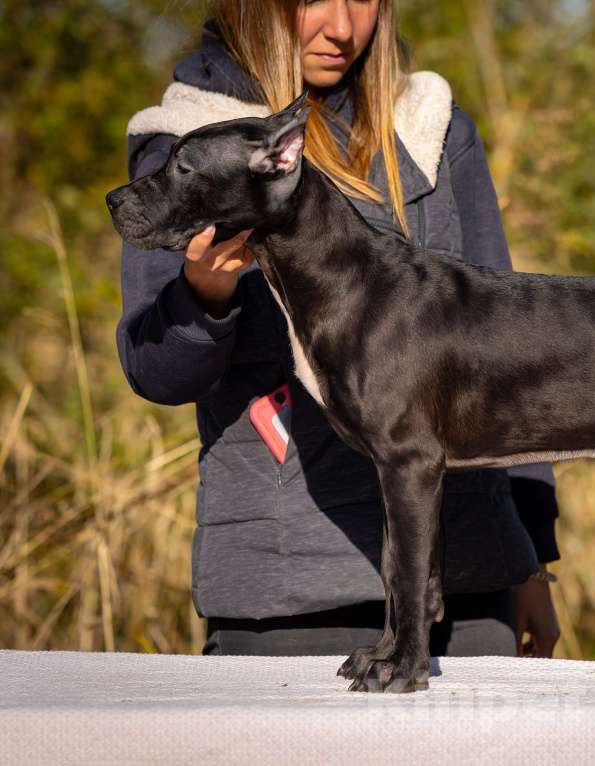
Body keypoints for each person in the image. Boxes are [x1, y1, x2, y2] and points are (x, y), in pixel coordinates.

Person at [117, 0, 562, 660]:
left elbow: (508, 352)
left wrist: (530, 553)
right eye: (312, 0)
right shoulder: (188, 143)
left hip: (469, 580)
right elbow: (157, 372)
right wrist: (205, 292)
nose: (343, 27)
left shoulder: (431, 127)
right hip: (291, 593)